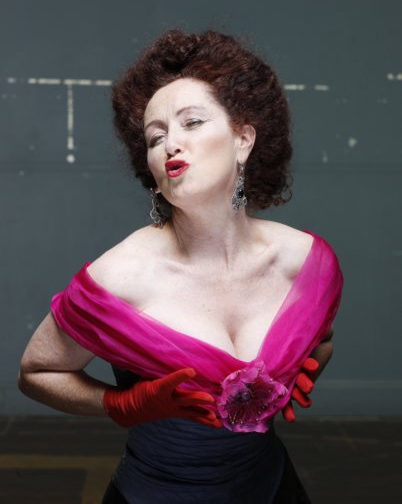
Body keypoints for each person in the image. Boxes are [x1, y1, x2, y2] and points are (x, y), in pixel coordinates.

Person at [18, 29, 343, 503]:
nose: (171, 143)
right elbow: (35, 374)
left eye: (192, 122)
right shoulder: (119, 278)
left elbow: (322, 338)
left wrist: (305, 368)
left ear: (243, 140)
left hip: (273, 489)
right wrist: (122, 404)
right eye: (156, 137)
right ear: (150, 170)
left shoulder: (306, 262)